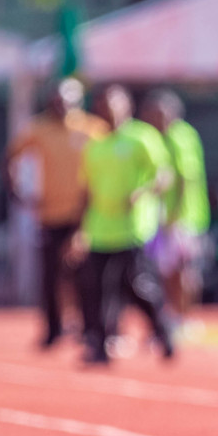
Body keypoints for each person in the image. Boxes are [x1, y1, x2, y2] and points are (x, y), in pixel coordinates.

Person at [73, 84, 175, 364]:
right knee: (94, 288)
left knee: (137, 285)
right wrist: (80, 230)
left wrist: (143, 192)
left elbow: (164, 175)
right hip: (99, 229)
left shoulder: (143, 137)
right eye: (104, 106)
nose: (109, 111)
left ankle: (164, 330)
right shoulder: (94, 145)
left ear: (127, 106)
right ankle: (99, 345)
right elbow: (86, 192)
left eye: (114, 105)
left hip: (132, 228)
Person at [7, 78, 106, 347]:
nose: (62, 106)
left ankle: (90, 329)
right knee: (50, 276)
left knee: (87, 276)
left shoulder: (93, 129)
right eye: (58, 101)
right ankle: (53, 330)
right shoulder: (38, 129)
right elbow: (12, 155)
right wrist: (15, 191)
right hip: (49, 214)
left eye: (68, 101)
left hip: (84, 215)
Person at [141, 89, 210, 317]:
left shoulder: (180, 136)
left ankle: (185, 317)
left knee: (183, 270)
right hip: (162, 216)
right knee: (165, 271)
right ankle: (170, 317)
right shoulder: (157, 136)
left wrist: (175, 214)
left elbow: (184, 179)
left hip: (182, 217)